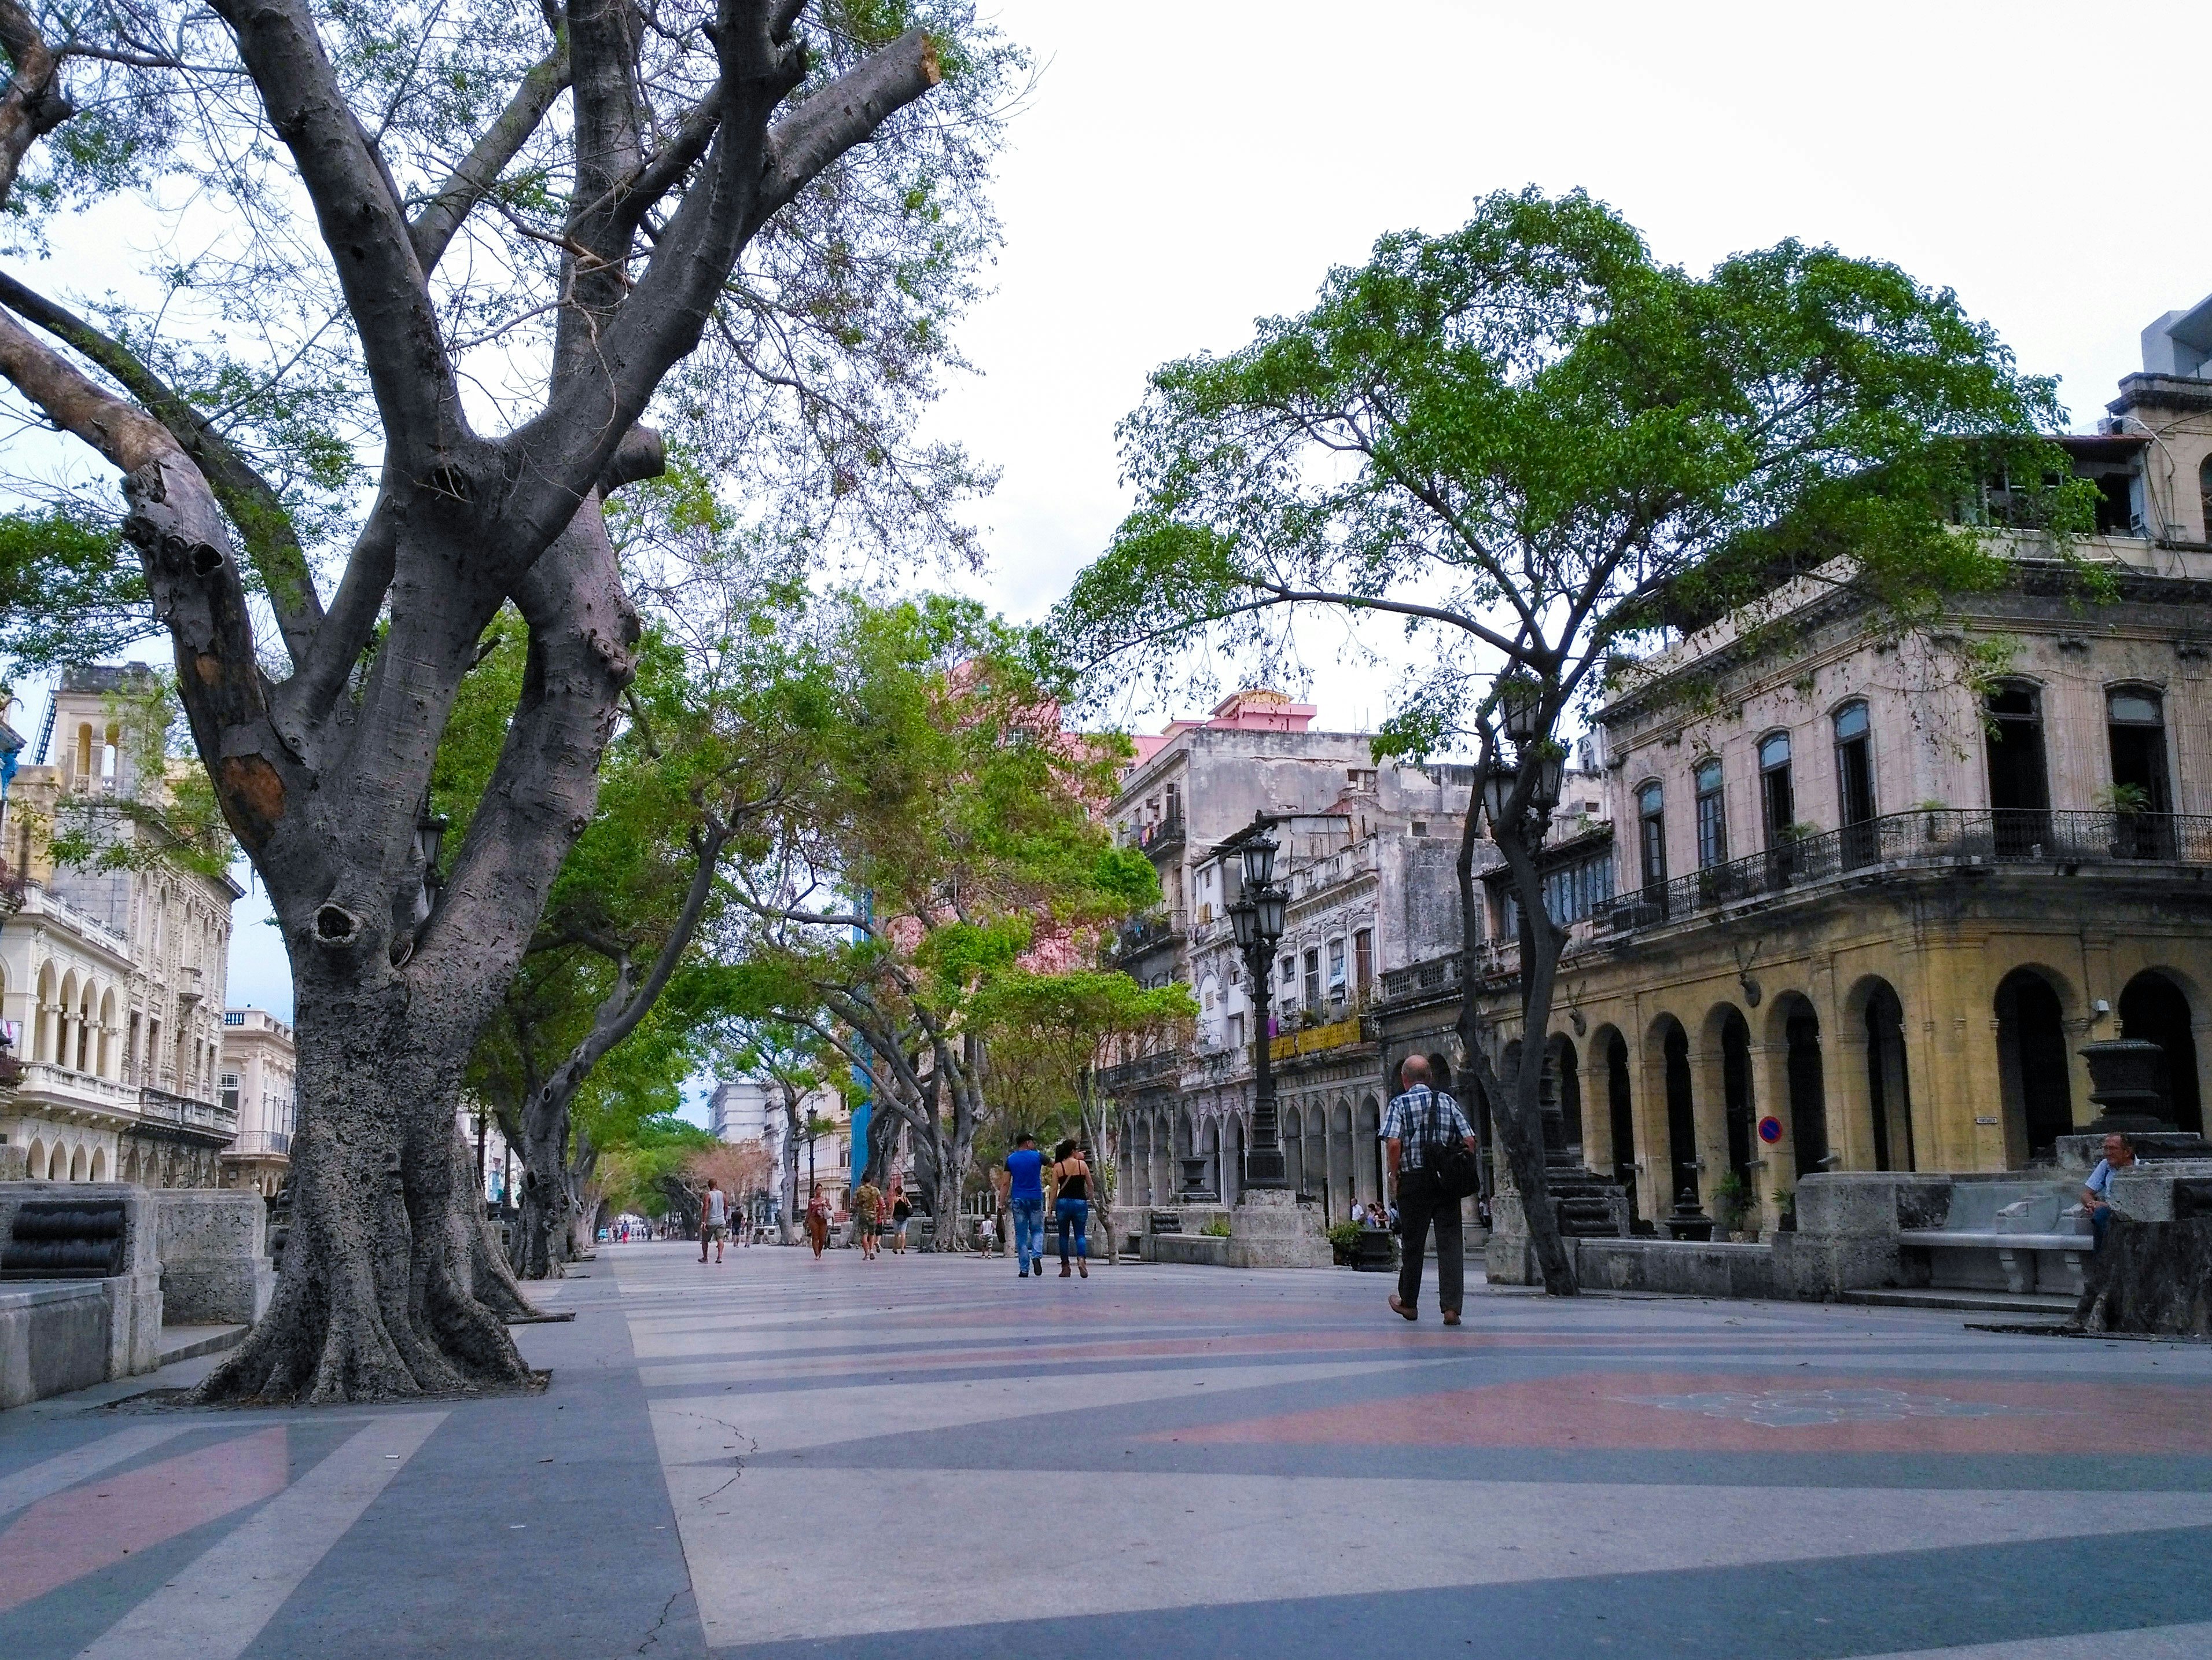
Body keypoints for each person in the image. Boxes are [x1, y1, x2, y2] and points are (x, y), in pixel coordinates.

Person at [1381, 1055, 1477, 1327]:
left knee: (1413, 1245)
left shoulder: (1399, 1103)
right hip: (1445, 1181)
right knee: (1450, 1244)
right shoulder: (1447, 1101)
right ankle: (1451, 1308)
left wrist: (1394, 1174)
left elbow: (1393, 1144)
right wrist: (1460, 1168)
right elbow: (1469, 1139)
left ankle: (1409, 1303)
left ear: (1405, 1079)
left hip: (1413, 1181)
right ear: (1430, 1078)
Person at [2082, 1131, 2137, 1252]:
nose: (2107, 1153)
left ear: (2127, 1152)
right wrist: (2091, 1204)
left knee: (2102, 1213)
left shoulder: (2143, 1169)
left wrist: (2106, 1206)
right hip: (2109, 1214)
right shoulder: (2105, 1165)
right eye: (2105, 1149)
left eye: (2112, 1149)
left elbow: (2136, 1205)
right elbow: (2086, 1193)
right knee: (2101, 1213)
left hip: (2131, 1217)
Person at [1006, 1132, 1047, 1279]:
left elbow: (1005, 1182)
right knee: (1037, 1230)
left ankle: (1024, 1269)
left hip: (1018, 1199)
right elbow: (1056, 1164)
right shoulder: (1038, 1156)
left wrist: (1001, 1202)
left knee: (1021, 1236)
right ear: (1028, 1143)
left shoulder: (1010, 1159)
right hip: (1035, 1197)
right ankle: (1036, 1255)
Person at [1050, 1139, 1092, 1279]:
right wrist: (1090, 1197)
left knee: (1064, 1236)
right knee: (1080, 1235)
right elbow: (1090, 1184)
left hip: (1063, 1203)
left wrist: (1050, 1206)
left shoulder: (1058, 1167)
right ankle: (1081, 1260)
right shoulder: (1082, 1165)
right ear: (1073, 1151)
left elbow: (1054, 1189)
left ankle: (1066, 1267)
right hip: (1080, 1202)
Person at [853, 1177, 883, 1261]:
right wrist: (879, 1214)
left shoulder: (859, 1190)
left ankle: (867, 1254)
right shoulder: (876, 1190)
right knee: (872, 1234)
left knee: (864, 1234)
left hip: (863, 1214)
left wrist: (858, 1207)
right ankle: (872, 1250)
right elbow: (881, 1204)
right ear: (871, 1181)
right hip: (873, 1215)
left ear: (863, 1181)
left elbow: (854, 1203)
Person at [700, 1179, 728, 1264]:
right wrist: (725, 1216)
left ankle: (705, 1258)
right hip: (721, 1220)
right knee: (720, 1239)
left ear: (709, 1186)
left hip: (711, 1221)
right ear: (716, 1184)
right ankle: (720, 1257)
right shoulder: (722, 1195)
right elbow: (726, 1206)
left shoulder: (708, 1196)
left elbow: (706, 1208)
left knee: (705, 1240)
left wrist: (704, 1222)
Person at [805, 1188, 830, 1259]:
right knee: (815, 1237)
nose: (819, 1191)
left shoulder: (825, 1199)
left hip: (823, 1220)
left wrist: (826, 1205)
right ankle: (817, 1253)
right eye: (818, 1190)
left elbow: (830, 1207)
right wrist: (807, 1220)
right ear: (815, 1191)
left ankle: (819, 1251)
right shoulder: (812, 1201)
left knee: (822, 1238)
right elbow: (809, 1210)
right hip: (814, 1220)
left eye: (821, 1190)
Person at [890, 1186, 914, 1254]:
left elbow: (893, 1209)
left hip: (896, 1218)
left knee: (896, 1234)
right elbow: (911, 1206)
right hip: (904, 1218)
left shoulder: (894, 1199)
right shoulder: (905, 1199)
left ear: (897, 1192)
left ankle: (895, 1249)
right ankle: (902, 1248)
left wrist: (891, 1217)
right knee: (903, 1234)